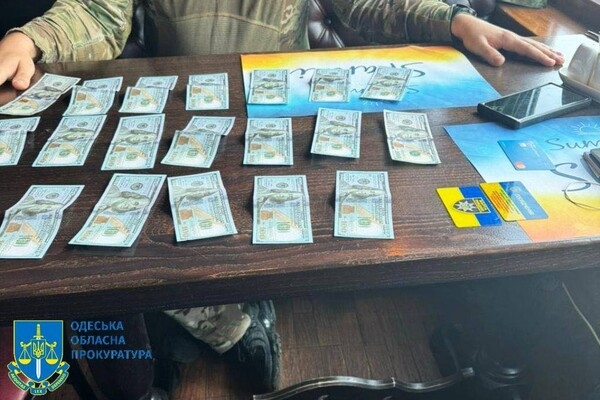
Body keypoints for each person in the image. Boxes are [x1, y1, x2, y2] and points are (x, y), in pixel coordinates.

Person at [0, 1, 565, 398]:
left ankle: (211, 317)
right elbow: (97, 12)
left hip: (283, 123)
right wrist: (29, 40)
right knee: (104, 254)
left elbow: (370, 3)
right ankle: (207, 322)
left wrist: (455, 20)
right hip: (183, 117)